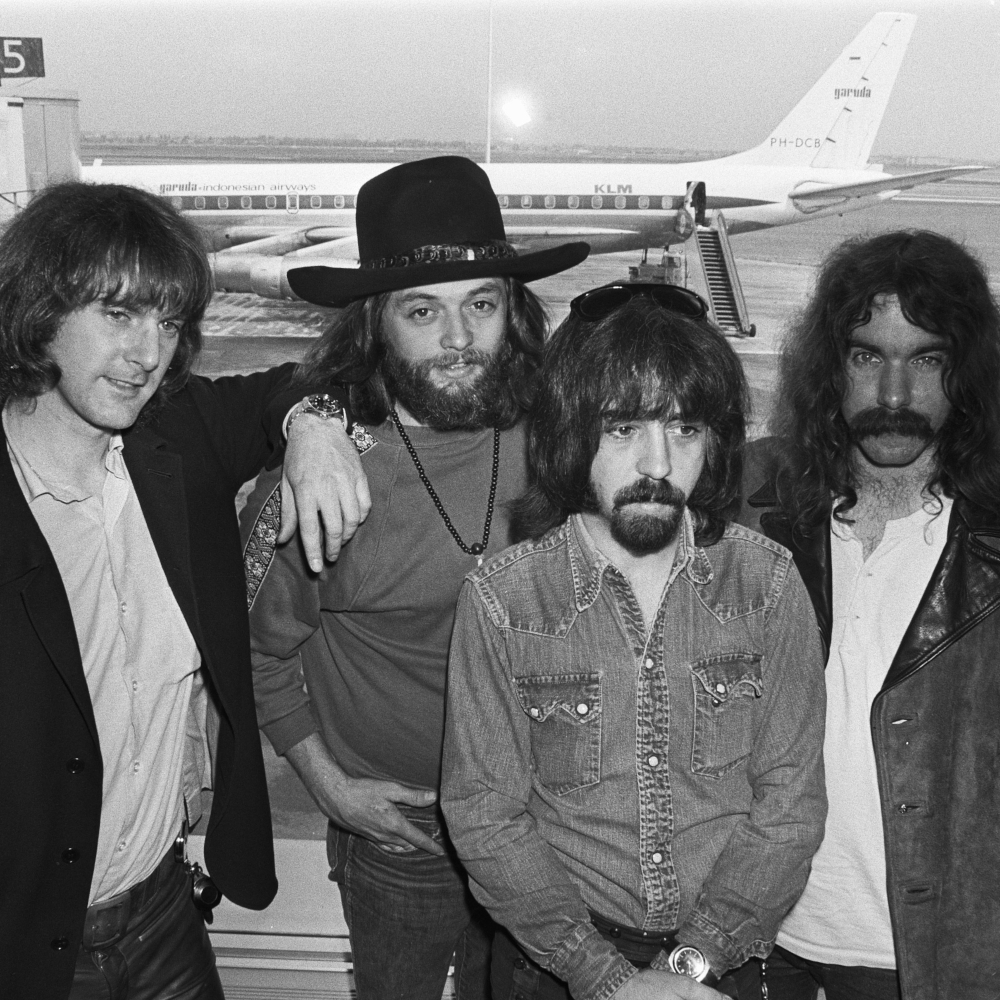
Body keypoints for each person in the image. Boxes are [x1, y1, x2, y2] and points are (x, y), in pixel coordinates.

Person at [0, 181, 361, 1000]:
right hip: (26, 947)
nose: (147, 354)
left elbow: (309, 380)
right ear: (38, 309)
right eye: (118, 313)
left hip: (164, 916)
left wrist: (314, 428)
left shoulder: (178, 436)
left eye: (168, 323)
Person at [241, 155, 589, 1000]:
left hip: (554, 823)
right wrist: (330, 788)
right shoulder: (322, 486)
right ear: (376, 324)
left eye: (482, 304)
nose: (459, 338)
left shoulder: (565, 445)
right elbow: (256, 654)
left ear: (514, 311)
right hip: (405, 840)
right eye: (423, 310)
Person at [440, 283, 828, 1000]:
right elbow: (486, 818)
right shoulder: (502, 600)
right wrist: (609, 980)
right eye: (622, 428)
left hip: (724, 964)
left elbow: (791, 805)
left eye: (685, 429)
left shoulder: (766, 583)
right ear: (569, 435)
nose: (658, 463)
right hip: (554, 966)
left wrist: (690, 965)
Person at [736, 230, 1000, 1000]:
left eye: (927, 360)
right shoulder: (751, 504)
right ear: (831, 365)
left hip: (922, 955)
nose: (892, 394)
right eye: (866, 356)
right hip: (751, 930)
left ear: (968, 373)